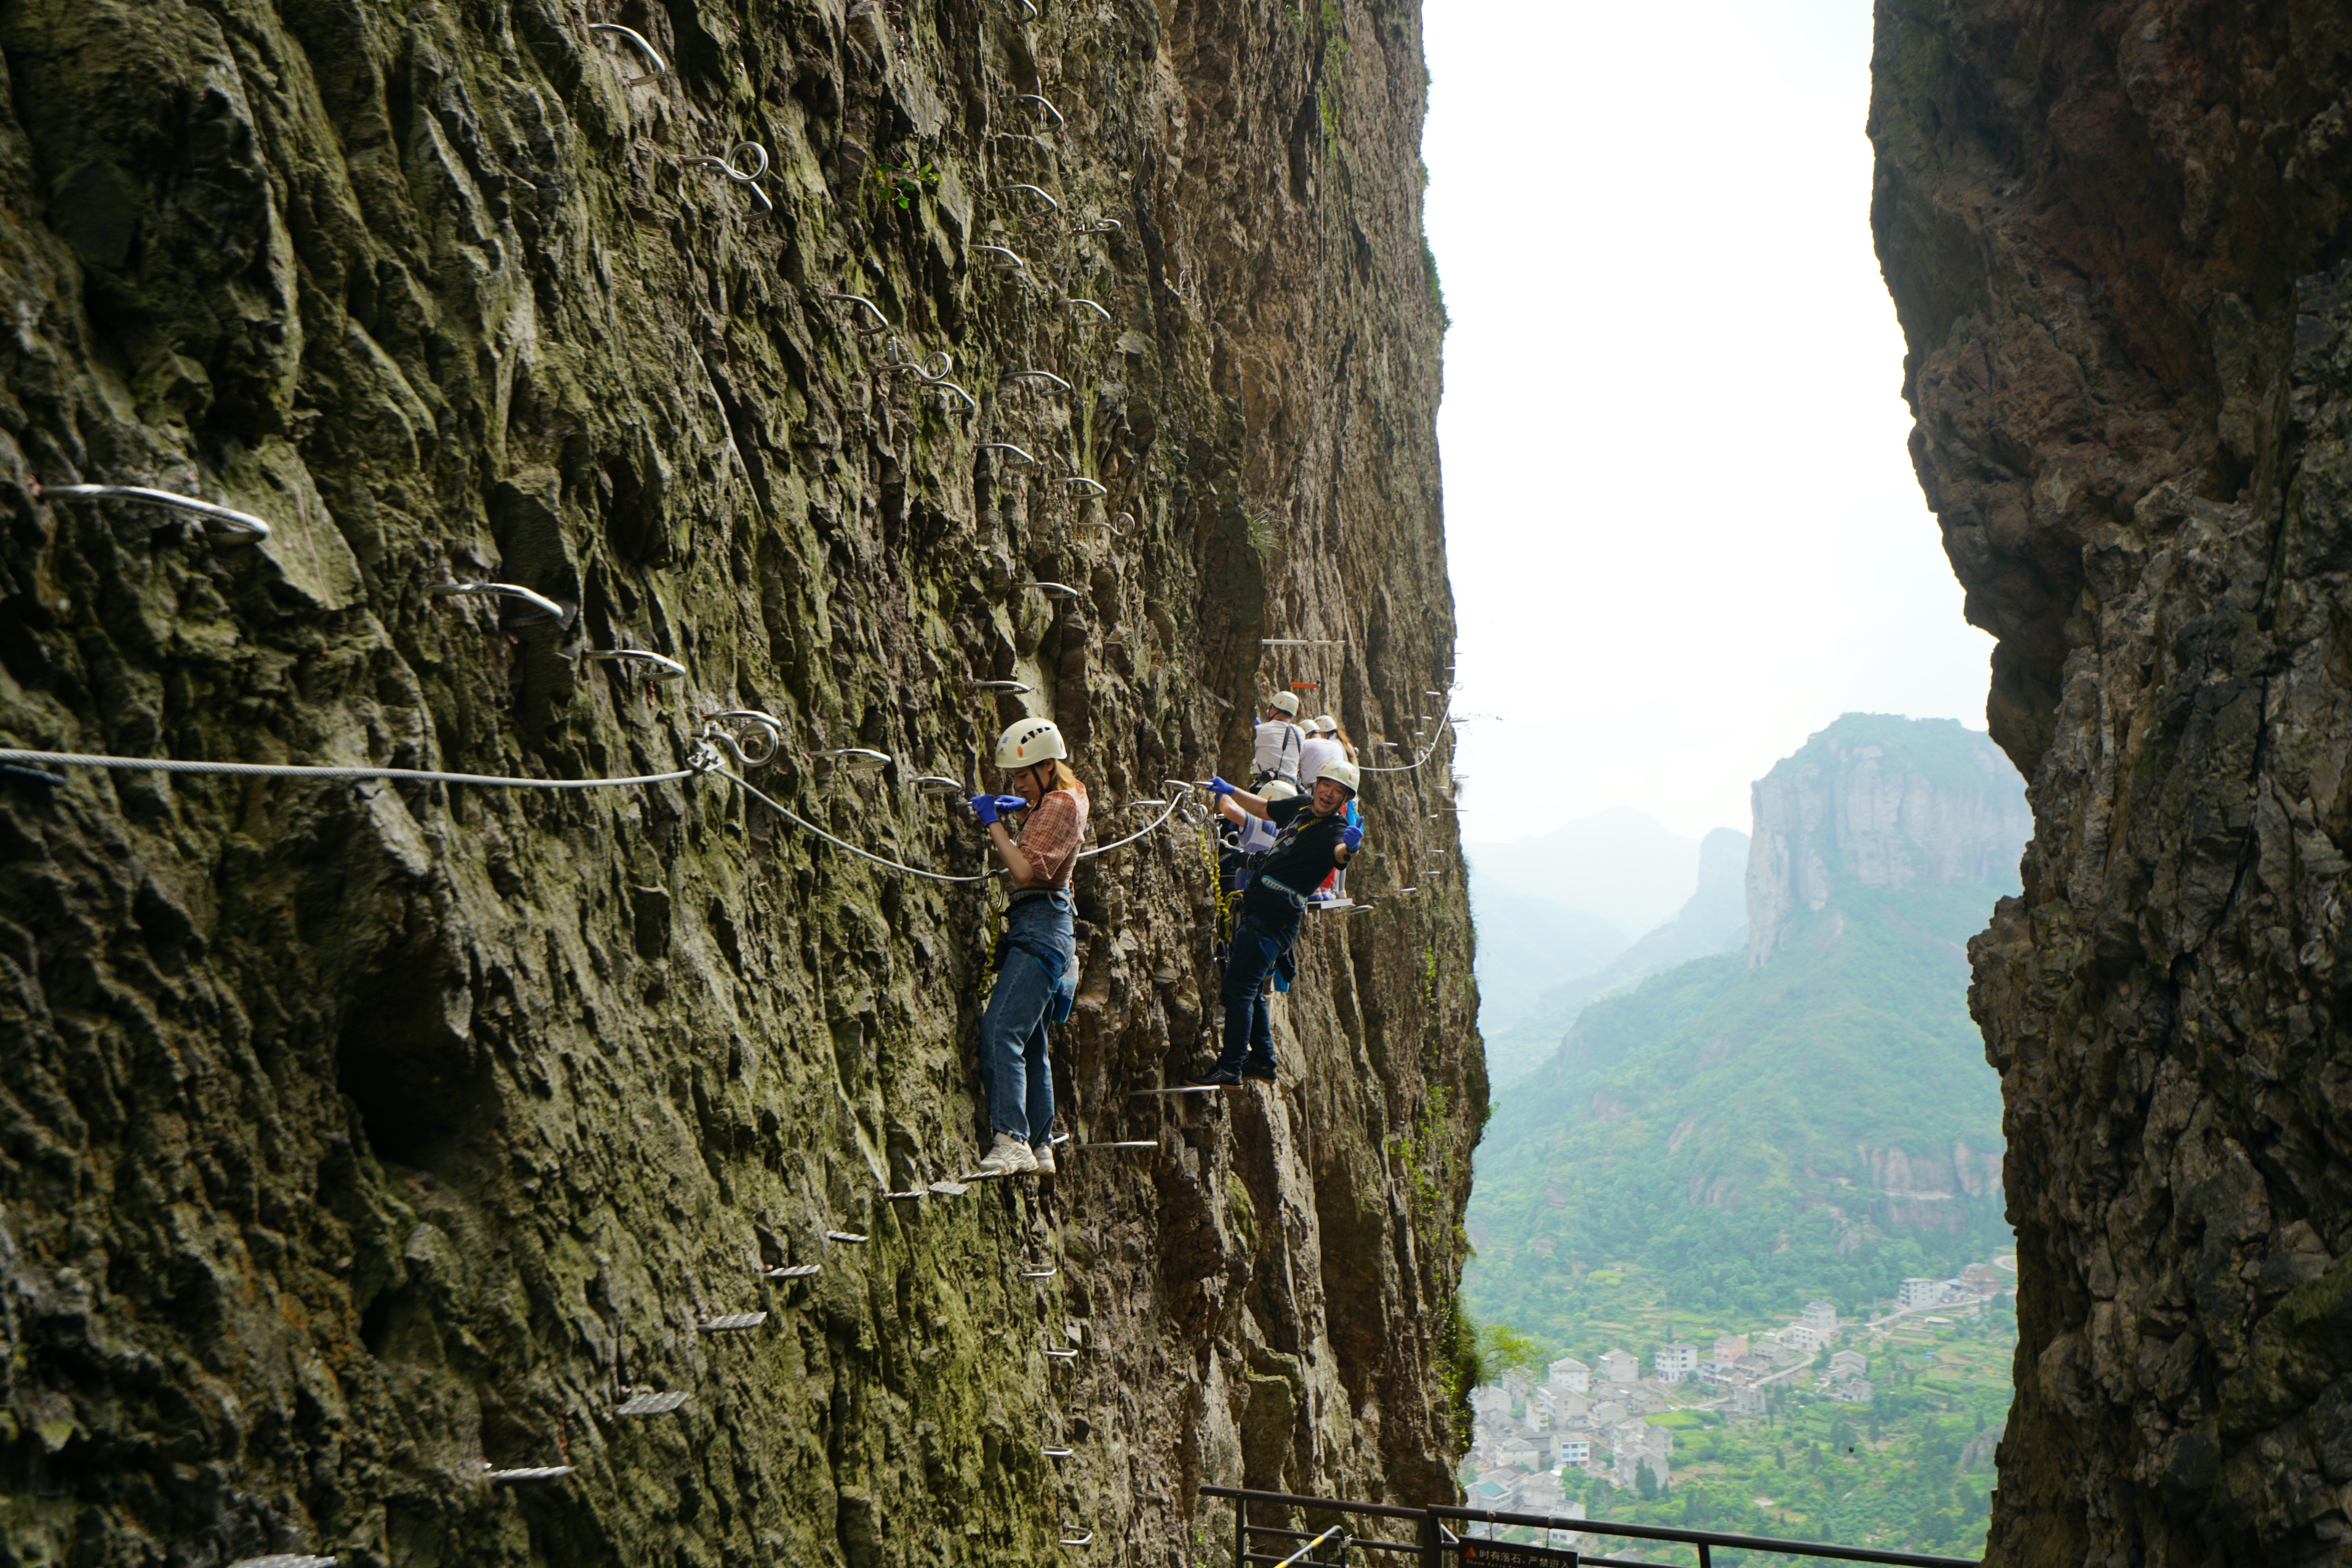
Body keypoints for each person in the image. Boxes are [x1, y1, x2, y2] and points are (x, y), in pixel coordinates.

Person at [1187, 756, 1363, 1086]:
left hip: (1274, 919)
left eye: (1338, 792)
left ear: (1344, 800)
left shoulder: (1335, 830)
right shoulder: (1301, 806)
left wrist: (1350, 849)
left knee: (1238, 990)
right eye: (1326, 785)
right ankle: (1263, 1062)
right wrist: (1232, 790)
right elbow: (1266, 809)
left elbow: (1339, 853)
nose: (1328, 794)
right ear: (1317, 785)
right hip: (1264, 911)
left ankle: (1231, 1065)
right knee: (1250, 990)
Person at [968, 717, 1089, 1175]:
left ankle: (1011, 1138)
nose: (1018, 783)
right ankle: (1040, 1144)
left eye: (1022, 776)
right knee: (1033, 1041)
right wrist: (1022, 809)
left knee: (1002, 1029)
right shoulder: (1066, 796)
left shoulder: (1058, 803)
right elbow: (1050, 834)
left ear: (1046, 767)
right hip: (1049, 927)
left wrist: (993, 823)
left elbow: (1024, 872)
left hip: (1039, 926)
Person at [1251, 691, 1305, 790]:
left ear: (1272, 710)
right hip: (1290, 789)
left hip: (1263, 788)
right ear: (1292, 716)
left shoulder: (1260, 730)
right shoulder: (1300, 733)